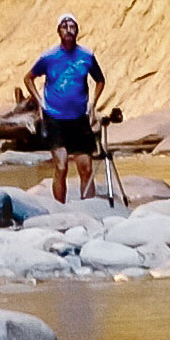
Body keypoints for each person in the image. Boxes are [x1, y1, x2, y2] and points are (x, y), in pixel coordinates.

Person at [24, 14, 108, 202]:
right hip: (55, 118)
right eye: (64, 26)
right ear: (58, 31)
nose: (68, 30)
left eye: (72, 26)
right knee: (61, 166)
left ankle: (88, 208)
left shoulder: (87, 56)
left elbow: (100, 80)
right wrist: (39, 101)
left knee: (86, 167)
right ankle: (60, 209)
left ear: (77, 31)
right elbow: (28, 78)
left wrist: (93, 104)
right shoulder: (48, 57)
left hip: (79, 118)